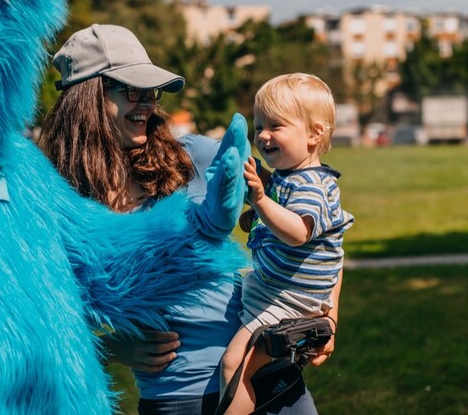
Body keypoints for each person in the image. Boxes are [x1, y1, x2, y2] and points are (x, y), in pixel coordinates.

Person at [38, 25, 339, 414]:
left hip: (266, 374)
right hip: (177, 398)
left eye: (151, 92)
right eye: (133, 90)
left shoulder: (193, 156)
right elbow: (37, 318)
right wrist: (112, 345)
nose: (147, 104)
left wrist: (329, 310)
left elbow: (320, 224)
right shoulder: (54, 202)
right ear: (89, 97)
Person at [220, 73, 354, 414]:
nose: (263, 135)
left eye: (276, 126)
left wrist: (262, 201)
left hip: (289, 301)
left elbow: (297, 232)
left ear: (314, 134)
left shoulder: (310, 184)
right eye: (258, 125)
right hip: (277, 290)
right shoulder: (287, 177)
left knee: (233, 365)